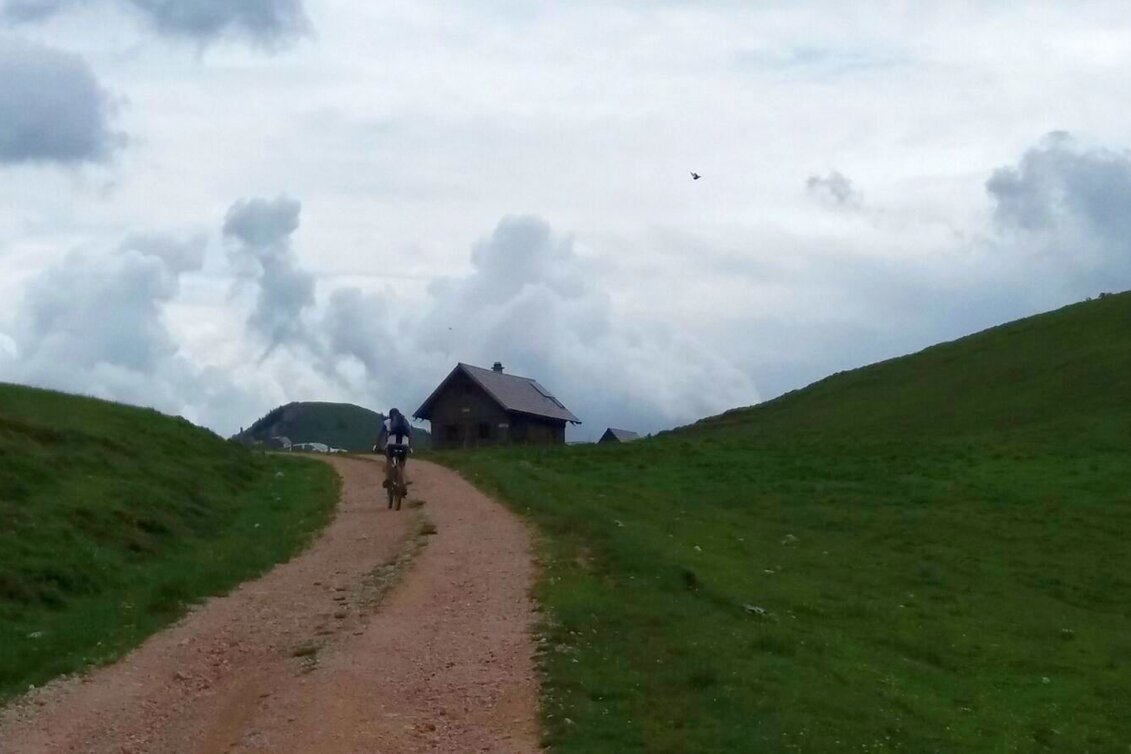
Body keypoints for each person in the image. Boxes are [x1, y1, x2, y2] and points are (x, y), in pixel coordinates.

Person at [375, 408, 412, 488]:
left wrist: (377, 446)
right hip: (404, 445)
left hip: (391, 445)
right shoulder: (405, 422)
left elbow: (380, 435)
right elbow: (410, 435)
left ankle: (388, 479)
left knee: (389, 460)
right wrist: (410, 448)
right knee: (401, 466)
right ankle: (402, 485)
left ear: (390, 415)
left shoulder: (386, 422)